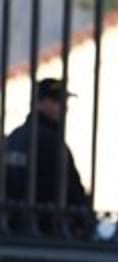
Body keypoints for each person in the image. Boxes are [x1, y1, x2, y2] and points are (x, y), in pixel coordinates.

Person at [4, 77, 92, 236]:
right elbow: (70, 188)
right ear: (38, 103)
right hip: (47, 231)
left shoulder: (14, 138)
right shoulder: (51, 141)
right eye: (56, 100)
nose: (64, 107)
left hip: (12, 230)